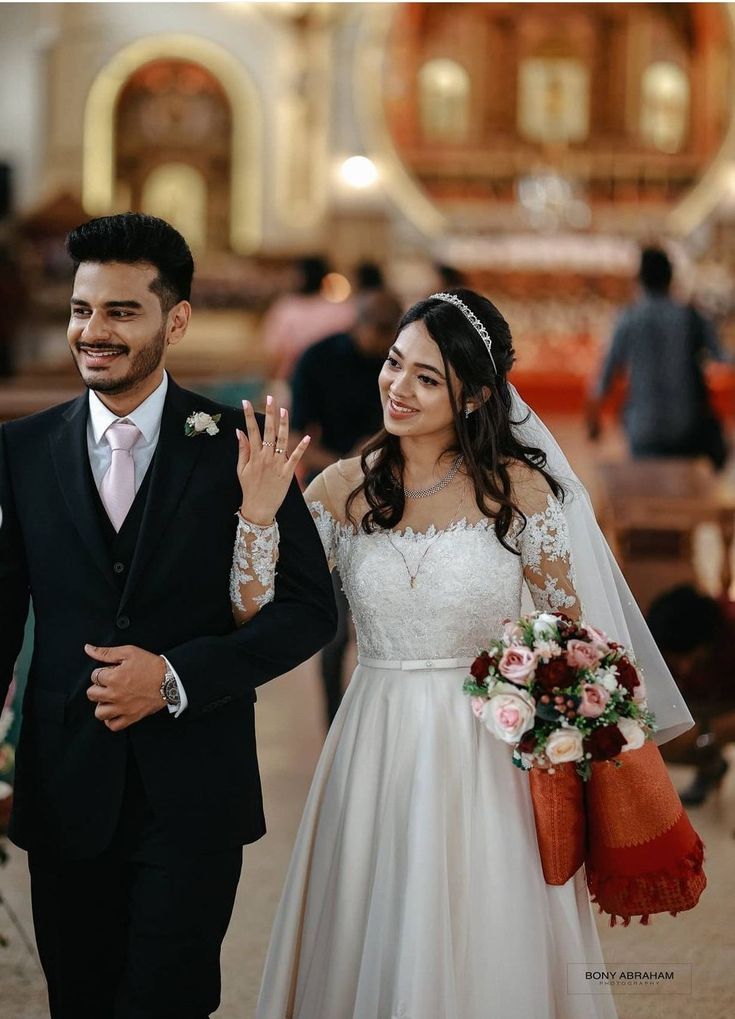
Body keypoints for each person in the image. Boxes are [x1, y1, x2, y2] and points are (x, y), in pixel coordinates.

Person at [231, 289, 692, 1019]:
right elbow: (254, 610)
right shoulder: (340, 488)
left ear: (475, 395)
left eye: (425, 377)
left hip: (488, 754)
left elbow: (571, 638)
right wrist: (258, 515)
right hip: (373, 737)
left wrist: (563, 708)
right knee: (369, 917)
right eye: (392, 363)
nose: (396, 386)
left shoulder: (521, 494)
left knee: (484, 925)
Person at [0, 213, 336, 1019]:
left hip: (192, 790)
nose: (94, 332)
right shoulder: (21, 450)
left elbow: (305, 609)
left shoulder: (236, 445)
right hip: (65, 782)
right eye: (83, 310)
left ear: (174, 320)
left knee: (169, 1001)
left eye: (121, 311)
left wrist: (178, 676)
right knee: (78, 1000)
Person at [290, 288, 403, 726]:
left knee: (388, 625)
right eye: (380, 336)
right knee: (336, 631)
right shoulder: (317, 360)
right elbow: (298, 442)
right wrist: (351, 464)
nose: (387, 355)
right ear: (358, 323)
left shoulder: (399, 364)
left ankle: (382, 721)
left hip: (397, 498)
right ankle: (335, 724)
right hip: (336, 499)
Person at [587, 246, 730, 470]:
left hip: (642, 427)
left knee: (648, 487)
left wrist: (593, 419)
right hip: (686, 424)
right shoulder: (691, 317)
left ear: (640, 279)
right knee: (685, 492)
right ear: (671, 278)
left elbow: (605, 374)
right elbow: (722, 357)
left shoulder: (628, 319)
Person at [648, 584, 735, 805]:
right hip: (706, 703)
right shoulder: (664, 638)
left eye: (692, 659)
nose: (684, 669)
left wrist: (707, 733)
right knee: (657, 736)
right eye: (676, 661)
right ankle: (710, 764)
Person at [261, 255, 356, 383]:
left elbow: (273, 355)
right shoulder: (343, 310)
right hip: (335, 381)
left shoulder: (286, 310)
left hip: (293, 381)